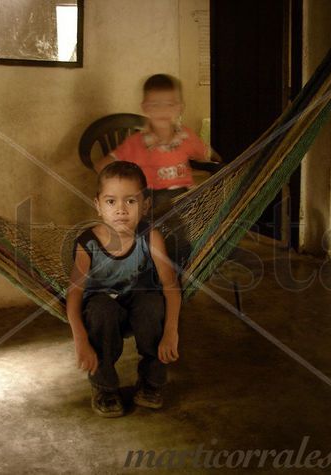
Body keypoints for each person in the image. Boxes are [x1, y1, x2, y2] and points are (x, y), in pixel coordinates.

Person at [67, 161, 181, 418]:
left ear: (145, 205)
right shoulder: (88, 243)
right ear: (98, 205)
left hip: (135, 302)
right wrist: (80, 340)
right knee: (101, 310)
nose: (120, 210)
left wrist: (171, 332)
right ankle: (104, 387)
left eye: (130, 201)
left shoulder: (150, 237)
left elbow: (170, 285)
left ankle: (151, 382)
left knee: (152, 303)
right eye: (111, 202)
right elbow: (73, 297)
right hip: (100, 307)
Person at [93, 73, 220, 210]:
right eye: (155, 105)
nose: (162, 111)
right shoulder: (136, 143)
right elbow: (101, 166)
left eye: (169, 105)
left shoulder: (186, 137)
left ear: (179, 107)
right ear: (145, 108)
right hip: (152, 204)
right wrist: (120, 189)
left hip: (184, 202)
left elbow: (208, 154)